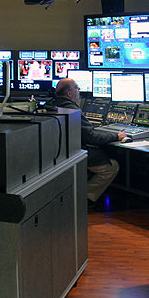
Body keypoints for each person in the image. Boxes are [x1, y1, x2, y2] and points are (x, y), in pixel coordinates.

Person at [49, 78, 125, 206]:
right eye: (77, 88)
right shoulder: (72, 110)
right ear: (69, 93)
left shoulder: (51, 104)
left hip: (58, 153)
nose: (79, 90)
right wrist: (116, 136)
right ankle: (84, 199)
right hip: (74, 152)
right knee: (112, 167)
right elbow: (91, 137)